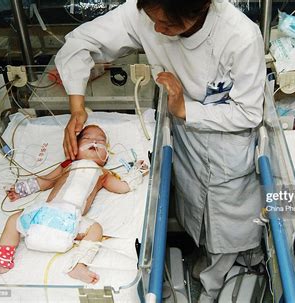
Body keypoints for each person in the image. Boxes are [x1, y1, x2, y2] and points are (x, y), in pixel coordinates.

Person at [54, 0, 266, 300]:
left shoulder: (240, 36)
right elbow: (80, 43)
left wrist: (185, 110)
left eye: (166, 25)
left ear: (197, 11)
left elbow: (248, 113)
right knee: (196, 210)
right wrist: (77, 107)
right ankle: (207, 266)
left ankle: (229, 277)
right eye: (152, 19)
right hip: (183, 134)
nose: (155, 29)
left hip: (227, 141)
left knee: (229, 224)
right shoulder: (146, 12)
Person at [0, 125, 146, 284]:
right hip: (44, 214)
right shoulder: (67, 165)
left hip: (71, 221)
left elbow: (123, 187)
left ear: (106, 156)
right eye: (87, 138)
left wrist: (136, 173)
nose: (94, 142)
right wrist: (21, 189)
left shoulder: (103, 173)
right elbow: (45, 181)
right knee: (13, 220)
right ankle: (1, 262)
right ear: (73, 148)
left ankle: (79, 265)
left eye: (101, 141)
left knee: (96, 229)